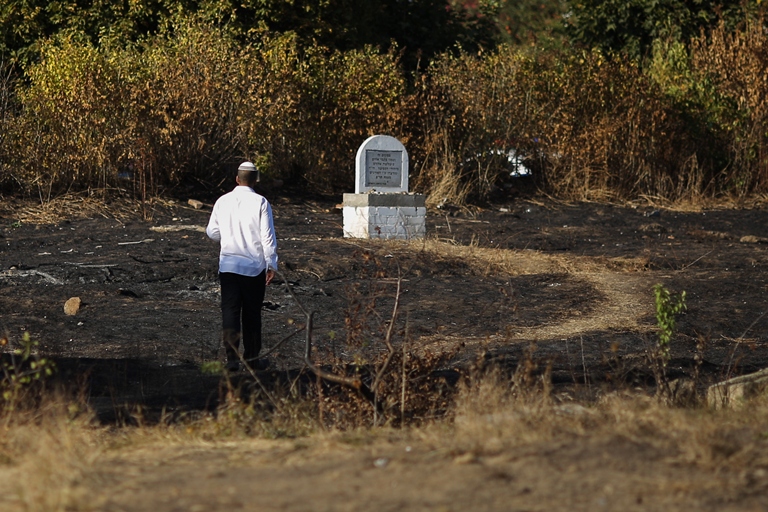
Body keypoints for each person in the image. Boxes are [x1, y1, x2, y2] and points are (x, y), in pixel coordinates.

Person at [206, 161, 278, 372]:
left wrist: (227, 236)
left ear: (237, 179)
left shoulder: (222, 201)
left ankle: (232, 360)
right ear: (255, 180)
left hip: (228, 265)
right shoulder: (261, 202)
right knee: (252, 314)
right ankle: (252, 359)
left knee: (229, 312)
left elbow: (212, 232)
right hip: (253, 266)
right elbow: (267, 237)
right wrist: (271, 263)